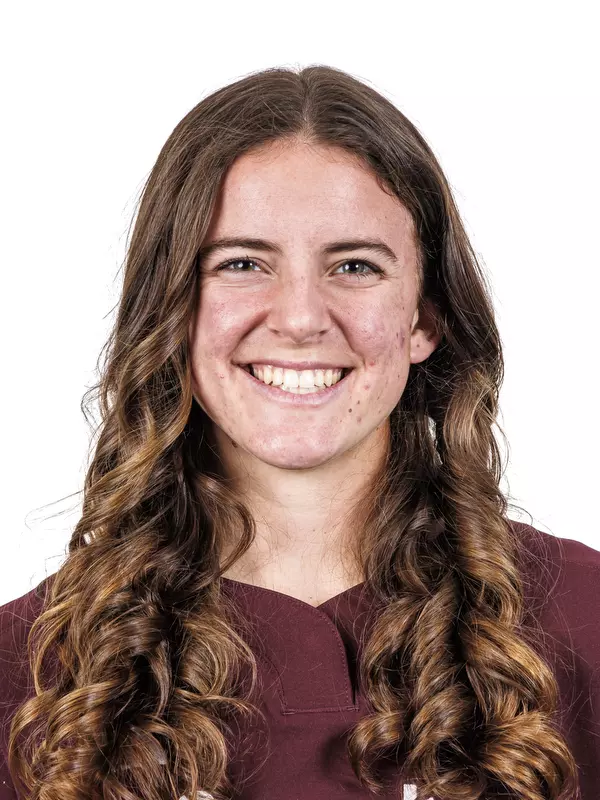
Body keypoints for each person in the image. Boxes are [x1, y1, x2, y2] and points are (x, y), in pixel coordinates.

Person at [0, 64, 598, 800]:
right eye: (242, 263)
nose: (301, 317)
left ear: (426, 316)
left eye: (355, 265)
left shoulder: (582, 618)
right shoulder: (27, 672)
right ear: (175, 312)